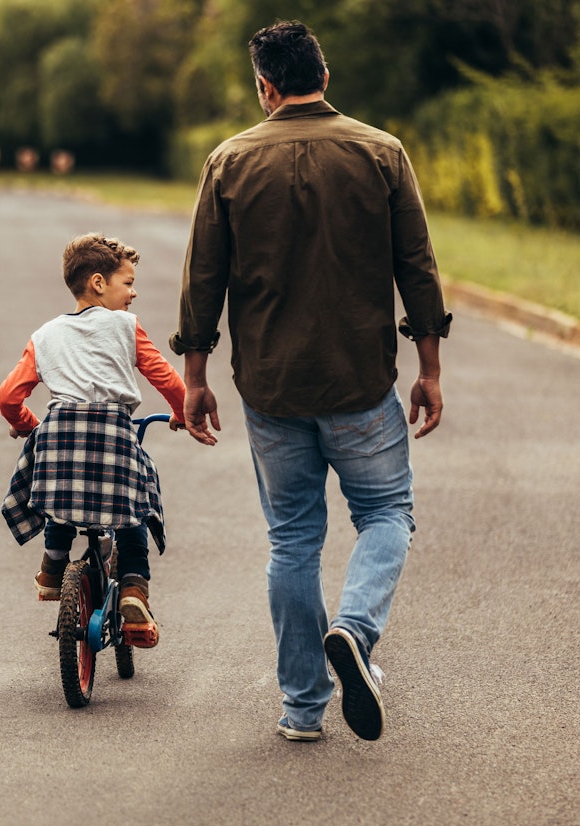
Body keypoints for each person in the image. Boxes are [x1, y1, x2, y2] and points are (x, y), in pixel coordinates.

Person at [170, 21, 451, 740]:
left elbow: (202, 277)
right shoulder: (381, 152)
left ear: (266, 86)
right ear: (324, 76)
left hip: (271, 387)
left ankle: (302, 708)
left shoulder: (228, 162)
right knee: (387, 513)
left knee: (292, 539)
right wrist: (430, 367)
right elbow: (416, 266)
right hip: (360, 381)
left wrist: (193, 377)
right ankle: (355, 627)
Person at [0, 232, 185, 645]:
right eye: (128, 282)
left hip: (60, 432)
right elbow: (167, 379)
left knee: (58, 491)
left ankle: (53, 567)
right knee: (135, 503)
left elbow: (7, 396)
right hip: (113, 433)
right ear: (99, 283)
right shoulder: (125, 326)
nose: (133, 293)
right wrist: (182, 412)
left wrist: (28, 424)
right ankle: (134, 588)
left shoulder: (44, 335)